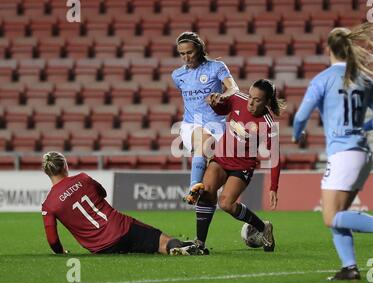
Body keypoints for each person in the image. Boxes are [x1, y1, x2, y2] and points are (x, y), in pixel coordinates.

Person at [292, 23, 373, 280]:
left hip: (343, 155)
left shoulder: (322, 79)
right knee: (339, 215)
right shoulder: (365, 79)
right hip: (363, 154)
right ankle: (350, 267)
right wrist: (360, 127)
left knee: (330, 216)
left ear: (328, 49)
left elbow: (300, 117)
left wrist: (296, 133)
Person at [41, 151, 203, 256]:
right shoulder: (83, 178)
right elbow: (102, 193)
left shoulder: (48, 205)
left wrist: (60, 251)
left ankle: (181, 246)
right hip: (121, 228)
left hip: (100, 248)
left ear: (46, 172)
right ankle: (179, 246)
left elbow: (53, 240)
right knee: (161, 242)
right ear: (65, 165)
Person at [190, 79, 284, 253]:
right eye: (250, 97)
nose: (250, 102)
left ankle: (263, 228)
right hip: (221, 158)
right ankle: (199, 244)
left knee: (226, 203)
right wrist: (214, 104)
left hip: (242, 167)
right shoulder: (237, 98)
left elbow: (275, 157)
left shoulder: (267, 124)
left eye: (257, 100)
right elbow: (222, 109)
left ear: (267, 102)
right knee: (207, 192)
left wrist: (273, 187)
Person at [172, 31, 239, 205]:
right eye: (182, 54)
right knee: (203, 139)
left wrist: (222, 96)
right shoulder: (177, 75)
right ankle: (193, 186)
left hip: (218, 127)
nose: (186, 57)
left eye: (189, 52)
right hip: (190, 126)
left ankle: (202, 225)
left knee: (210, 189)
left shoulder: (216, 67)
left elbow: (234, 89)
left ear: (200, 49)